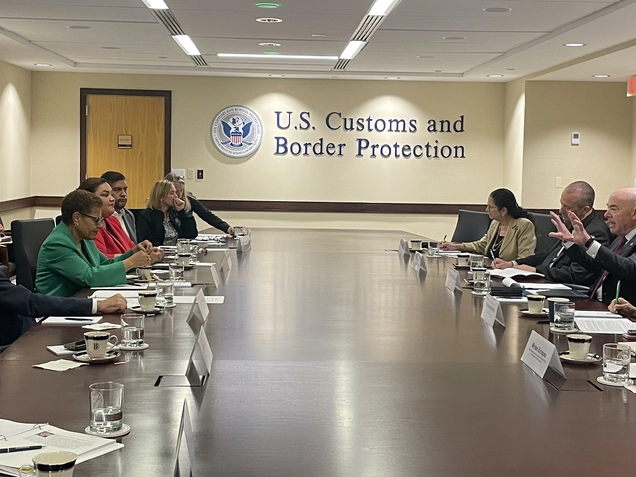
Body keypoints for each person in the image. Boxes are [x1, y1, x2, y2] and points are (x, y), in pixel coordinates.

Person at [35, 189, 152, 297]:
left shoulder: (84, 238)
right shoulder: (57, 244)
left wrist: (133, 252)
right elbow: (88, 277)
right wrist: (130, 262)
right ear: (77, 218)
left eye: (100, 220)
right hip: (56, 310)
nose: (100, 226)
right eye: (95, 220)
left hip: (81, 300)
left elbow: (105, 263)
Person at [493, 181, 612, 286]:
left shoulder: (597, 231)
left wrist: (537, 271)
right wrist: (513, 263)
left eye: (567, 207)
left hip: (565, 288)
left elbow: (579, 274)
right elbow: (547, 254)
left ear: (585, 209)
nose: (561, 210)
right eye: (561, 204)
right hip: (546, 281)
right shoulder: (570, 224)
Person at [550, 187, 636, 305]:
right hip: (594, 301)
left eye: (614, 209)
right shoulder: (620, 239)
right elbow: (596, 268)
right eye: (607, 207)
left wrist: (589, 242)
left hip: (615, 310)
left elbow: (629, 268)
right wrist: (569, 242)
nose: (606, 214)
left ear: (634, 213)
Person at [0, 270, 126, 347]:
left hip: (29, 332)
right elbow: (30, 302)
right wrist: (97, 305)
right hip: (17, 344)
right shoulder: (58, 243)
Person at [79, 177, 163, 262]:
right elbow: (101, 260)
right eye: (105, 195)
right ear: (89, 199)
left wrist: (145, 250)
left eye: (111, 194)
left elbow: (132, 247)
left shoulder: (113, 220)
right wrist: (137, 257)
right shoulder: (89, 226)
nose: (112, 199)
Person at [440, 188, 536, 261]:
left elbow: (525, 259)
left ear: (503, 211)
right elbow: (482, 245)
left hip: (510, 278)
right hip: (492, 272)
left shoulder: (524, 225)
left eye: (490, 207)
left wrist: (509, 265)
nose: (487, 210)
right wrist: (455, 246)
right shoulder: (496, 224)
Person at [164, 172, 234, 235]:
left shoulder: (188, 199)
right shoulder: (165, 205)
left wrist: (226, 228)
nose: (179, 195)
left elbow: (206, 214)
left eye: (181, 190)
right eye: (175, 191)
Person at [136, 180, 198, 246]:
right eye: (172, 193)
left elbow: (191, 234)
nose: (176, 196)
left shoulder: (174, 213)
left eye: (175, 193)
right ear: (161, 196)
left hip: (177, 252)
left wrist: (182, 212)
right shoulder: (146, 215)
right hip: (157, 253)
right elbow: (146, 240)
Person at [101, 171, 137, 242]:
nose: (123, 194)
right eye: (117, 189)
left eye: (125, 189)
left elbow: (133, 244)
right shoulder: (102, 218)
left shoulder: (128, 215)